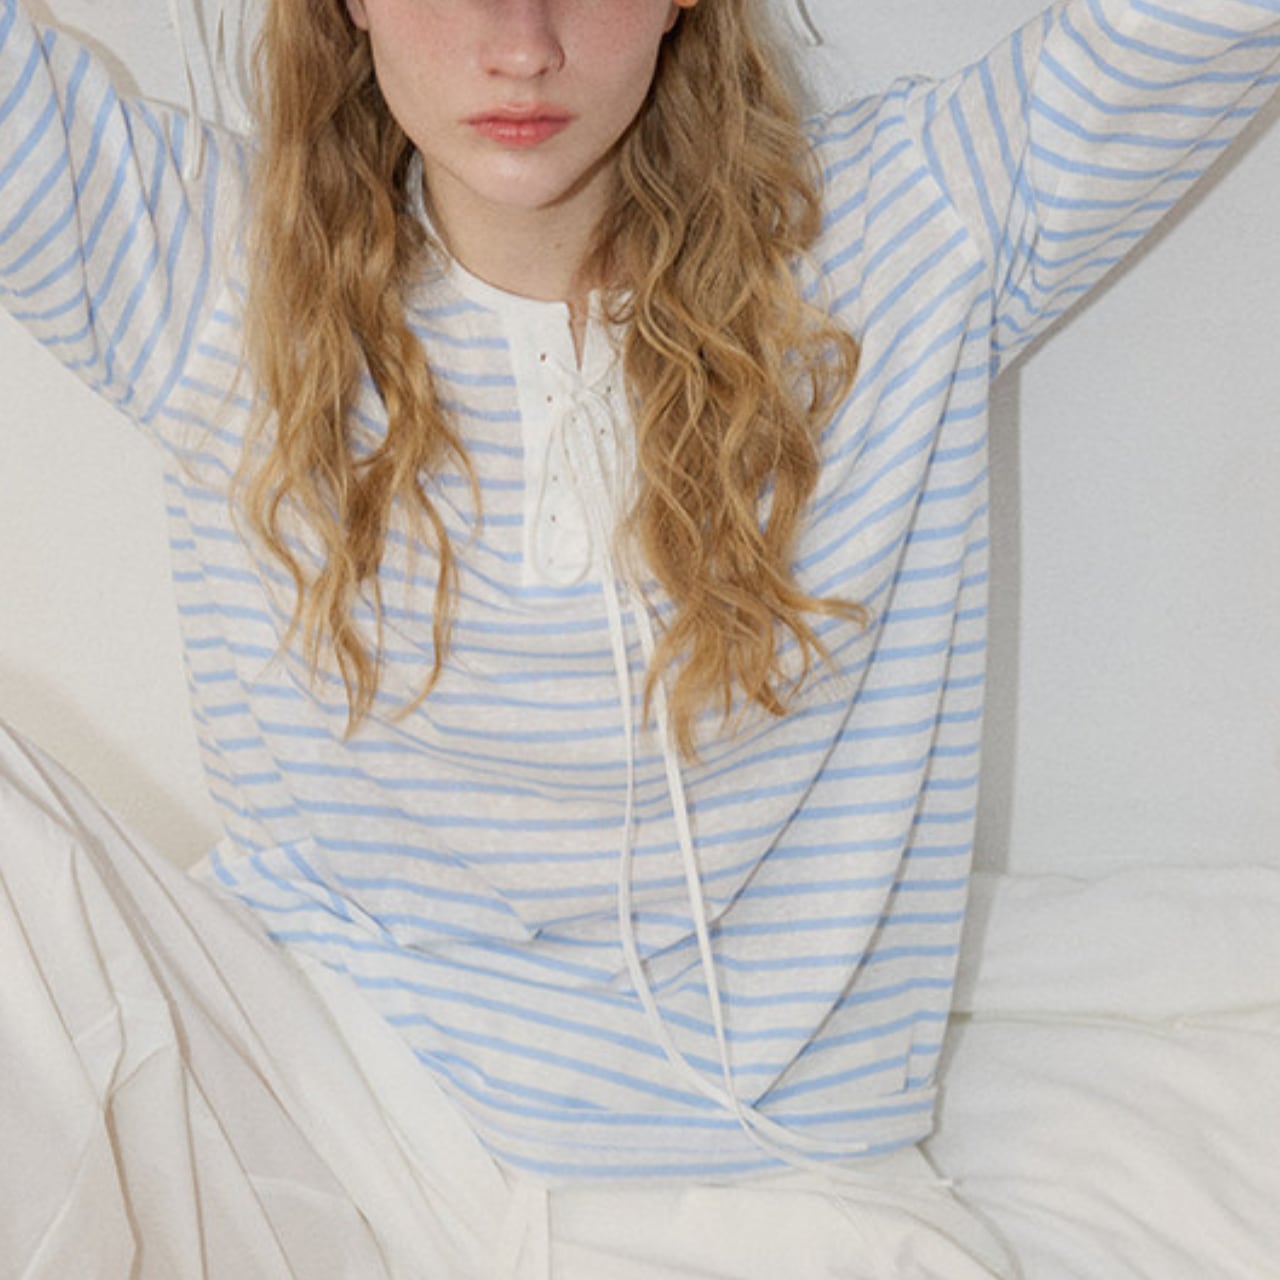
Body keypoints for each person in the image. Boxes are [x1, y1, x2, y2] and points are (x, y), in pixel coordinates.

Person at [1, 0, 1277, 1276]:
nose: (520, 43)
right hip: (315, 1118)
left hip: (767, 1181)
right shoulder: (210, 262)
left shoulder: (906, 233)